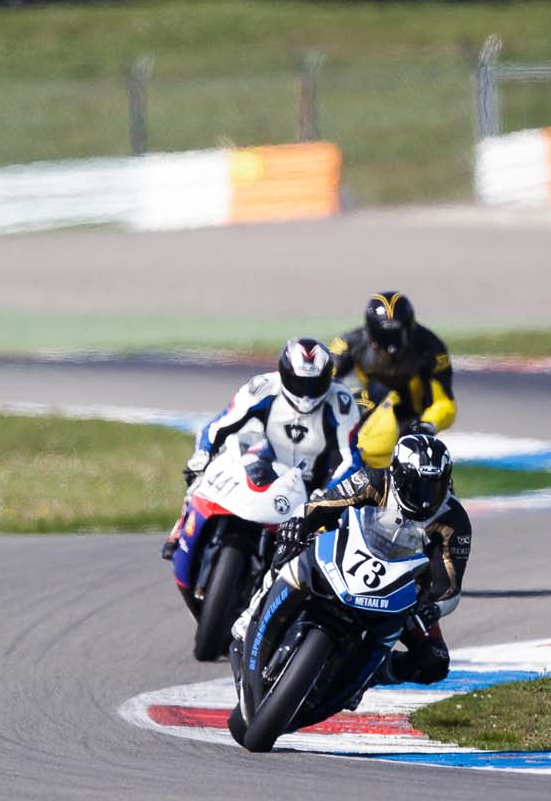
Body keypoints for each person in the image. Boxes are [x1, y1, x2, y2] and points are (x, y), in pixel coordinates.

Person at [232, 432, 471, 694]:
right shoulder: (375, 479)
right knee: (290, 546)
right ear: (399, 474)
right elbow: (323, 504)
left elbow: (448, 586)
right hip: (344, 555)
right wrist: (298, 523)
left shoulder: (454, 521)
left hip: (401, 594)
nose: (426, 497)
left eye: (434, 485)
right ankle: (255, 610)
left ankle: (369, 676)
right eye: (417, 484)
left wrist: (432, 607)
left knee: (434, 660)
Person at [160, 337, 362, 561]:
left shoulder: (341, 401)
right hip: (269, 463)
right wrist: (204, 452)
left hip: (315, 483)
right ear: (285, 374)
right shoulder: (263, 386)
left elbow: (350, 459)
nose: (306, 393)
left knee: (339, 526)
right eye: (299, 383)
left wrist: (328, 492)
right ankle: (179, 531)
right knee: (207, 470)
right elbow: (221, 424)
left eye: (314, 384)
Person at [329, 292, 457, 468]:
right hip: (363, 416)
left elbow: (445, 403)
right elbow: (323, 383)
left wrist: (428, 425)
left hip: (413, 422)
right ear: (371, 331)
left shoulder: (432, 349)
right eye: (383, 338)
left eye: (397, 336)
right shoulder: (347, 345)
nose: (391, 349)